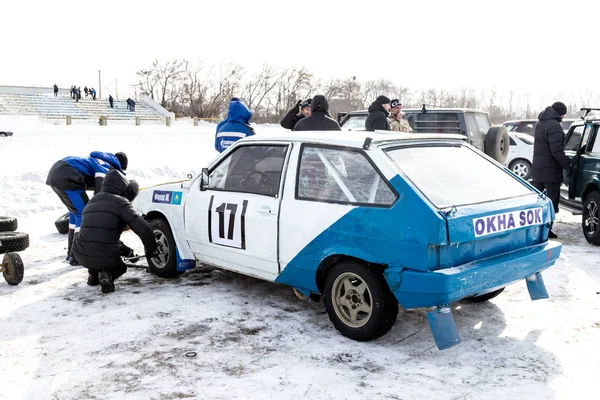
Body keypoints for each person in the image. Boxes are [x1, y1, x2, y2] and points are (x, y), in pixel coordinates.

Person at [72, 169, 158, 293]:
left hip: (80, 252)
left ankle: (93, 275)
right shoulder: (121, 202)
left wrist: (127, 252)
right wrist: (152, 251)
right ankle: (108, 274)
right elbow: (144, 230)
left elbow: (96, 234)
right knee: (119, 267)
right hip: (104, 254)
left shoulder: (93, 200)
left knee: (97, 242)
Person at [46, 151, 128, 265]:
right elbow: (100, 188)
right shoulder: (106, 166)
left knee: (74, 214)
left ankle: (71, 253)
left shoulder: (96, 160)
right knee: (83, 214)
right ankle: (76, 256)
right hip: (67, 175)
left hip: (56, 173)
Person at [532, 101, 572, 238]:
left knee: (539, 202)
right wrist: (567, 165)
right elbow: (556, 151)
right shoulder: (554, 125)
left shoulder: (540, 123)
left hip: (538, 170)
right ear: (561, 114)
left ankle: (536, 229)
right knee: (551, 202)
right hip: (550, 172)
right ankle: (547, 230)